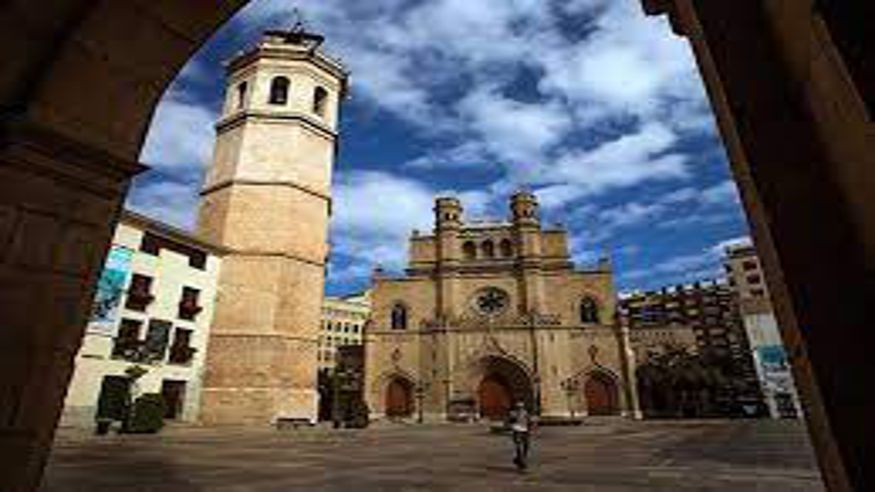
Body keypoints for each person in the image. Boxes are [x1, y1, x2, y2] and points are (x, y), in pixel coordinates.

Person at [506, 400, 533, 470]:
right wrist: (512, 421)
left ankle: (520, 458)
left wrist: (530, 428)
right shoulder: (513, 413)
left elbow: (529, 421)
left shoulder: (525, 413)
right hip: (517, 430)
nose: (520, 409)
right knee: (518, 446)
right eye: (519, 407)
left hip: (524, 430)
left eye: (521, 407)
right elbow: (509, 421)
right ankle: (521, 461)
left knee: (526, 445)